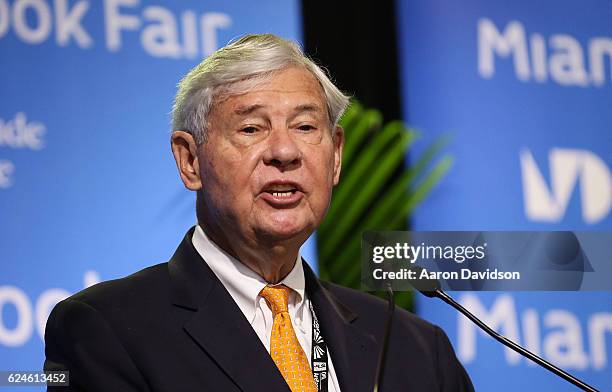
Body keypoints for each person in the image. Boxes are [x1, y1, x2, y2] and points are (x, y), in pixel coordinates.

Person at [44, 34, 474, 392]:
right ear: (190, 160)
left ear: (337, 155)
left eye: (305, 127)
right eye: (251, 128)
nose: (285, 152)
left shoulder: (415, 348)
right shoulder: (106, 330)